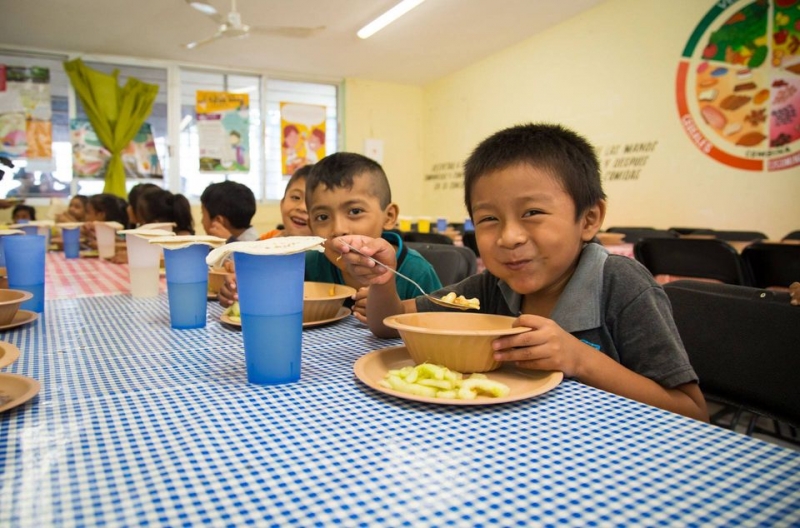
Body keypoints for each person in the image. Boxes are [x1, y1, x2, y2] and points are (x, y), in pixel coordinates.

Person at [333, 123, 708, 422]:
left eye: (532, 213)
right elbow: (388, 325)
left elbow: (693, 412)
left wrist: (579, 359)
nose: (509, 237)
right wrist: (383, 279)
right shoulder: (491, 287)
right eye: (488, 219)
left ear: (589, 219)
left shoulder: (620, 285)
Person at [219, 152, 442, 323]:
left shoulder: (416, 272)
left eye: (355, 211)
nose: (338, 229)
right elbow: (269, 296)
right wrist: (240, 290)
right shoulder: (309, 264)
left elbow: (439, 327)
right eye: (323, 217)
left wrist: (389, 310)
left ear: (389, 216)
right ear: (310, 224)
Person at [258, 165, 313, 240]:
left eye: (312, 202)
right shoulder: (267, 239)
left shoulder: (326, 246)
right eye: (296, 197)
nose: (302, 207)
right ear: (282, 204)